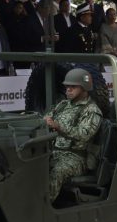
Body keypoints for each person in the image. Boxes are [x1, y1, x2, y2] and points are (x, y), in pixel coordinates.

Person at [43, 68, 103, 204]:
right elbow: (48, 117)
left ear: (84, 88)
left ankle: (43, 207)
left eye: (73, 87)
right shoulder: (63, 105)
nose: (68, 90)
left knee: (57, 171)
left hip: (76, 157)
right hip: (54, 151)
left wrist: (59, 127)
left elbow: (84, 135)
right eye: (67, 87)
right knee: (34, 165)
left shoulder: (92, 110)